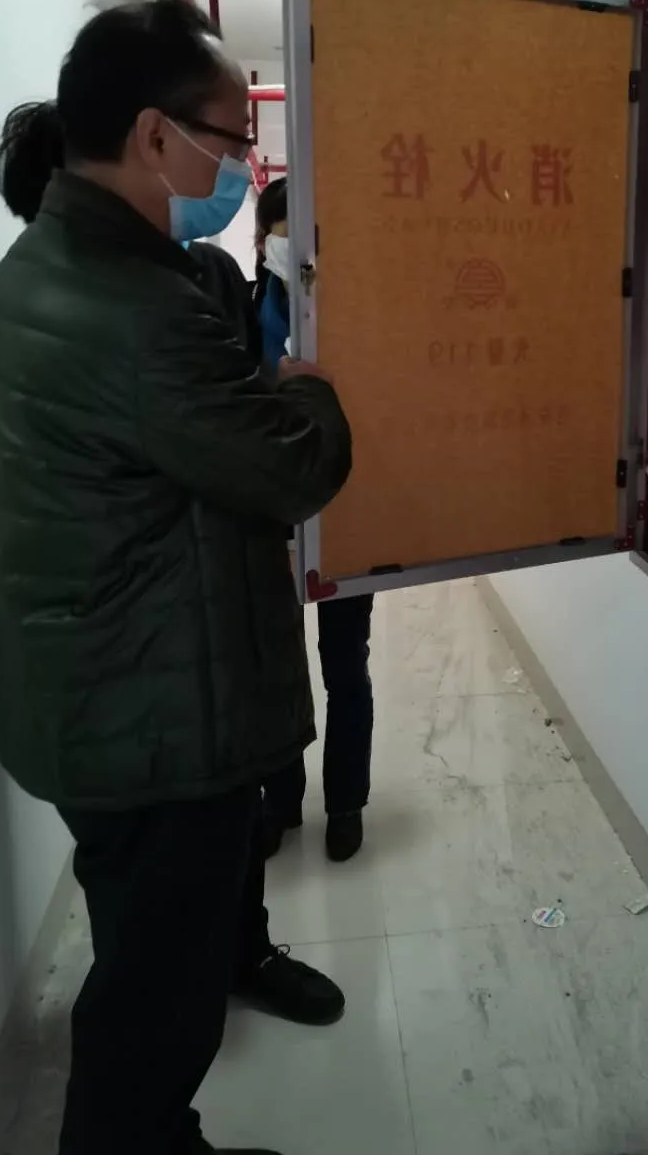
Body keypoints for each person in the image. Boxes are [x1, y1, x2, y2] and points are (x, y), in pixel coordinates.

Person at [0, 0, 352, 1155]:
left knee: (159, 946)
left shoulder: (68, 265)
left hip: (110, 690)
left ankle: (186, 1077)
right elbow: (290, 468)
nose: (241, 168)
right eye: (232, 141)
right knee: (151, 1011)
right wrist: (313, 392)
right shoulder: (128, 309)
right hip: (153, 717)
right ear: (152, 136)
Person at [254, 180, 375, 863]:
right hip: (268, 519)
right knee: (275, 669)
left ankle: (346, 803)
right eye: (282, 228)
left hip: (346, 517)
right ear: (263, 238)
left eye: (308, 231)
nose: (294, 243)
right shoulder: (243, 311)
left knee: (345, 667)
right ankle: (281, 801)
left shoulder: (353, 314)